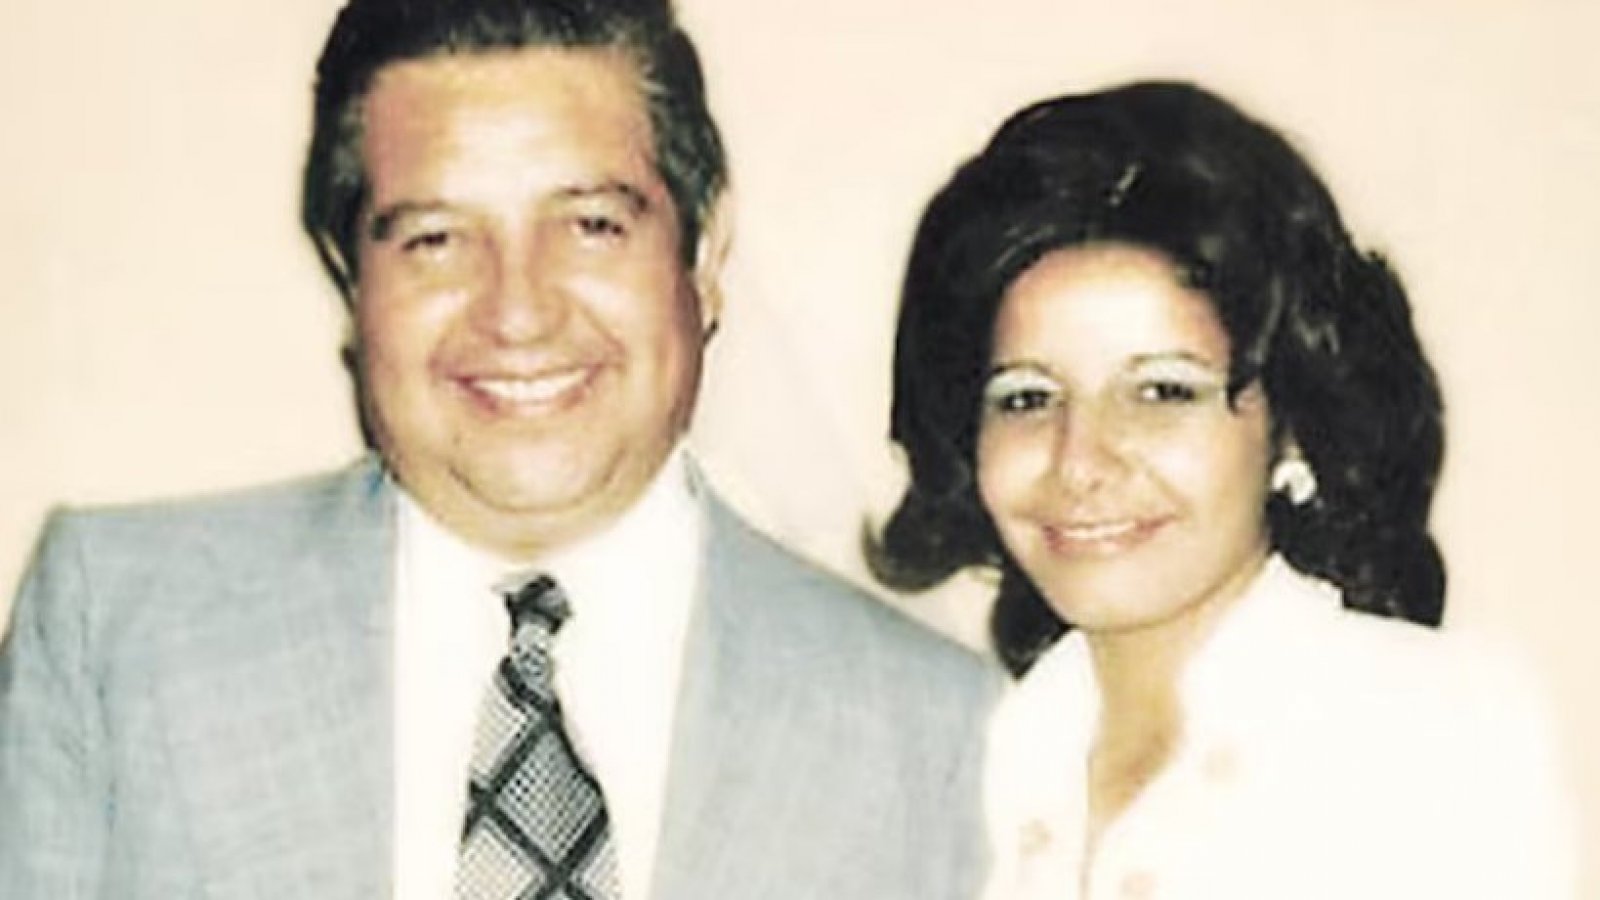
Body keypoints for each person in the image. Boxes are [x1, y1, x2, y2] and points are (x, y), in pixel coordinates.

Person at [0, 1, 998, 898]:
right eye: (435, 239)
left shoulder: (939, 732)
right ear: (352, 279)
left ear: (703, 255)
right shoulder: (117, 633)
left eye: (591, 226)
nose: (517, 311)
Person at [872, 81, 1574, 899]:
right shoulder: (993, 754)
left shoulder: (1429, 730)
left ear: (1293, 431)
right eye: (1028, 397)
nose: (1080, 461)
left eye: (1162, 391)